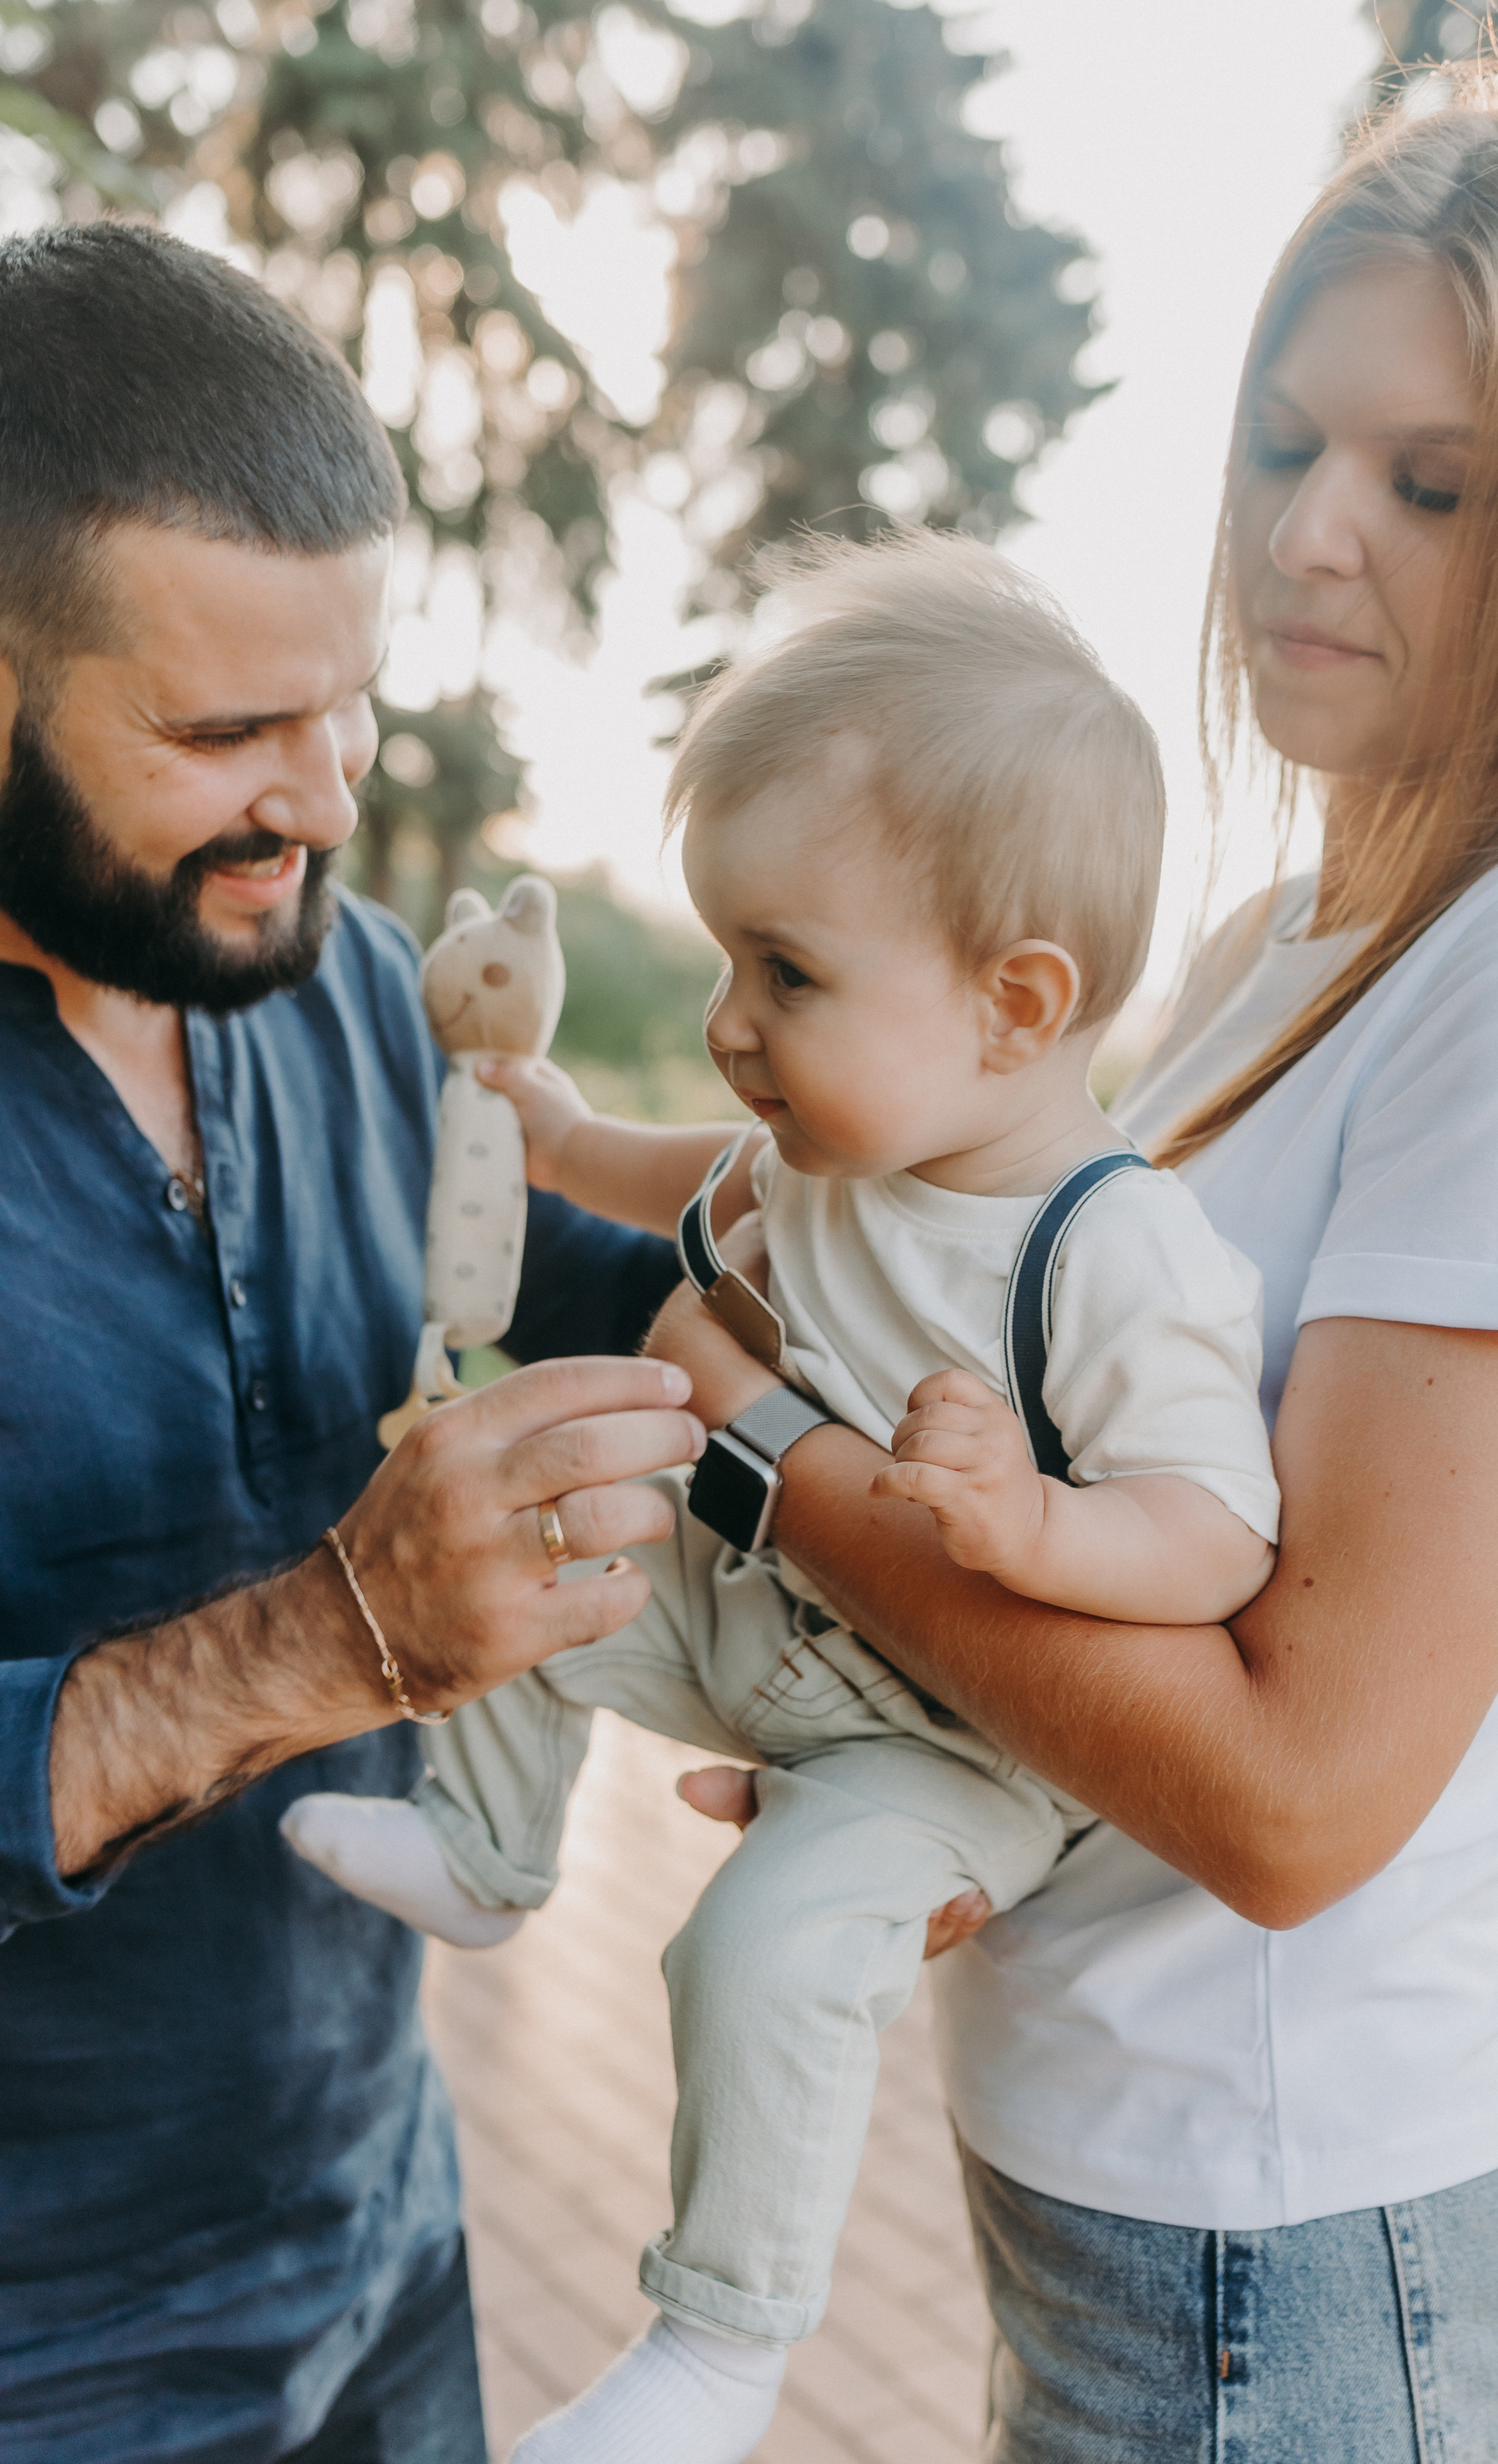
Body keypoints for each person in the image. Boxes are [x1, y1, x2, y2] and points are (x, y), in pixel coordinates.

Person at [574, 59, 1498, 2462]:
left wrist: (760, 1452)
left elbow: (1288, 1799)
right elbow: (1014, 1311)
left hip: (1291, 2245)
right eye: (1288, 449)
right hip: (1122, 2194)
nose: (1308, 538)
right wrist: (901, 1712)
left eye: (1430, 485)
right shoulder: (1299, 929)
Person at [284, 531, 1283, 2464]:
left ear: (1018, 1005)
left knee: (757, 1949)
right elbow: (696, 1170)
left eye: (787, 970)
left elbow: (1223, 1531)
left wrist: (1039, 1530)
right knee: (525, 1520)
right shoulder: (837, 1139)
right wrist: (563, 1138)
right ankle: (491, 1859)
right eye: (732, 957)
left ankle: (720, 2348)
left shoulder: (1113, 1247)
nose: (738, 1021)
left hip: (953, 1748)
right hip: (767, 1625)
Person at [0, 221, 704, 2463]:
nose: (322, 801)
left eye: (351, 702)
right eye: (227, 731)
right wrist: (329, 1642)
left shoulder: (343, 969)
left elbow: (606, 1308)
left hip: (388, 2252)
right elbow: (344, 1634)